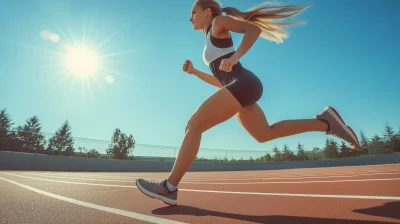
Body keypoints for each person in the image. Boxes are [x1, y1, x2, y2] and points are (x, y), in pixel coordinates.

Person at [135, 0, 360, 206]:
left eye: (193, 12)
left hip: (245, 83)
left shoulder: (218, 22)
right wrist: (195, 72)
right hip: (241, 86)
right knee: (264, 134)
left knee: (194, 125)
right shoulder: (209, 39)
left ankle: (169, 187)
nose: (190, 18)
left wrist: (235, 57)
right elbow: (222, 83)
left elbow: (254, 29)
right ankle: (325, 123)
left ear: (207, 11)